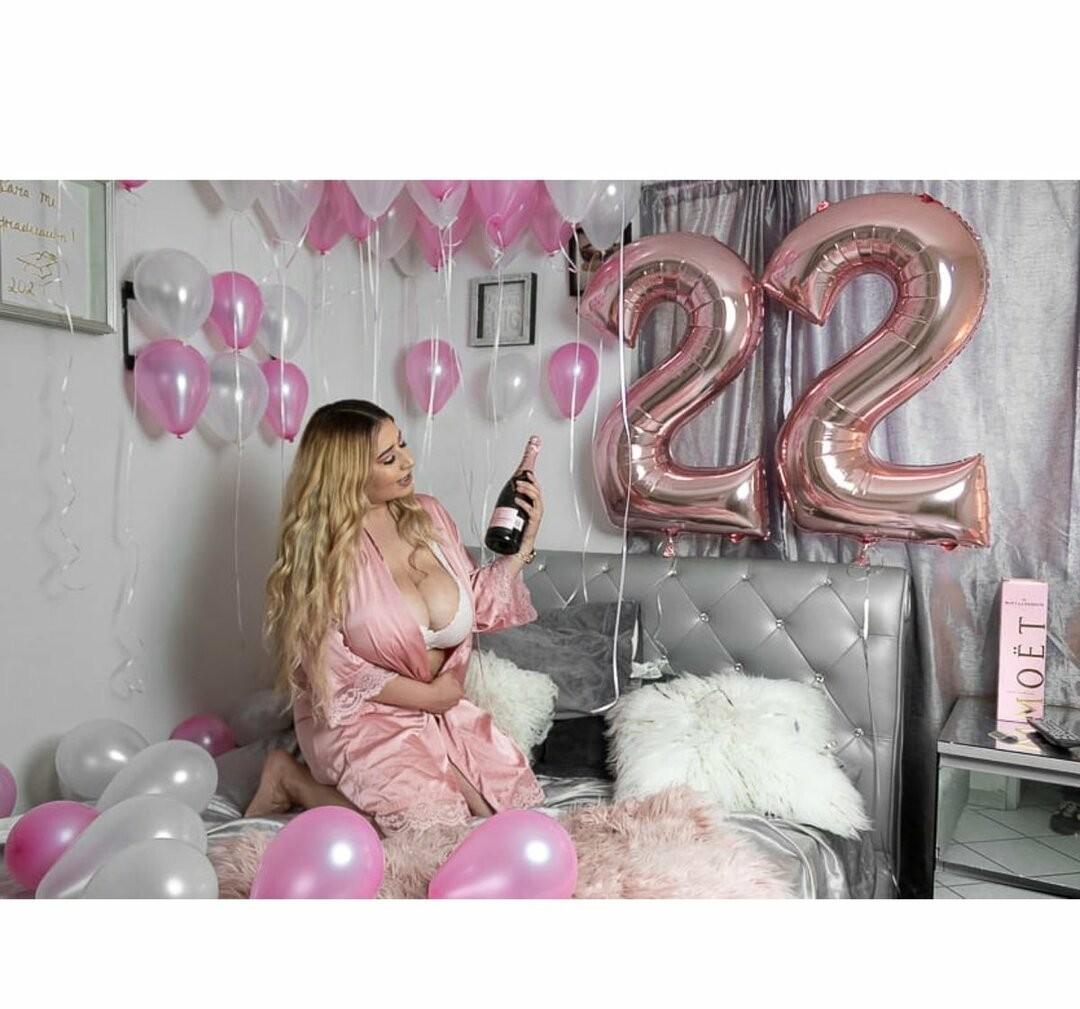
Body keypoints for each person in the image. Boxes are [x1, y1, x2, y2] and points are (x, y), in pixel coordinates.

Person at [245, 399, 546, 834]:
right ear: (348, 473)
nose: (408, 461)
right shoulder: (320, 553)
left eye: (401, 445)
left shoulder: (429, 515)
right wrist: (430, 697)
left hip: (441, 709)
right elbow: (330, 667)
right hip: (362, 717)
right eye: (388, 458)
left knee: (501, 813)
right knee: (428, 833)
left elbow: (475, 604)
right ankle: (290, 778)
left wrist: (523, 547)